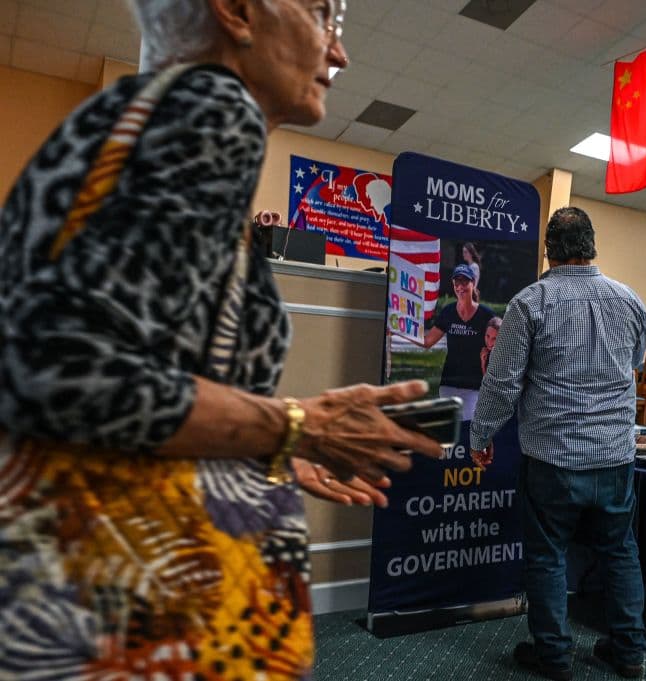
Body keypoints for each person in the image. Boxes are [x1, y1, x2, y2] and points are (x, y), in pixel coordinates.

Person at [0, 1, 443, 678]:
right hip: (125, 624)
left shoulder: (141, 119)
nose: (339, 52)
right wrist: (300, 425)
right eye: (326, 14)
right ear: (237, 10)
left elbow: (123, 373)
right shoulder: (213, 109)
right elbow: (61, 369)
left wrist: (262, 444)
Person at [470, 207, 646, 680]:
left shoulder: (530, 303)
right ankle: (629, 652)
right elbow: (634, 360)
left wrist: (481, 434)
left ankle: (553, 656)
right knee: (620, 551)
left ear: (548, 249)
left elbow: (502, 382)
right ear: (593, 245)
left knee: (548, 557)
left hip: (552, 458)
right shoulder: (631, 301)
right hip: (614, 457)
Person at [421, 264, 495, 417]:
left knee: (468, 430)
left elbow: (500, 341)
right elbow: (427, 341)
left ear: (473, 283)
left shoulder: (486, 315)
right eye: (457, 282)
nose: (460, 286)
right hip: (449, 383)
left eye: (465, 282)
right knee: (451, 432)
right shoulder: (448, 312)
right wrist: (399, 331)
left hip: (474, 386)